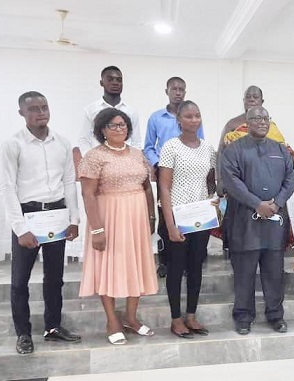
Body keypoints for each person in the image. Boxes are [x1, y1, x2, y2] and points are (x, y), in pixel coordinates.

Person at [0, 91, 82, 355]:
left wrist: (73, 218)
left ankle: (53, 327)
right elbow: (7, 188)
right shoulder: (13, 144)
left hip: (56, 214)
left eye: (44, 107)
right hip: (28, 215)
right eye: (33, 109)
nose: (41, 112)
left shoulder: (62, 143)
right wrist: (20, 228)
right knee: (19, 281)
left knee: (55, 277)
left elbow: (69, 183)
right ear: (22, 113)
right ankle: (23, 333)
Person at [78, 108, 158, 345]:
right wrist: (97, 229)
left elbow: (146, 187)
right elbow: (88, 194)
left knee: (137, 264)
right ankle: (112, 320)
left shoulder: (137, 154)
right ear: (102, 130)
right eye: (113, 125)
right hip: (109, 217)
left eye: (123, 125)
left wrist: (152, 217)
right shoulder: (94, 156)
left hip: (137, 217)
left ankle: (131, 317)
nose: (119, 129)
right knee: (108, 266)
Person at [221, 106, 294, 335]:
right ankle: (243, 317)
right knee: (244, 274)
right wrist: (257, 204)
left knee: (274, 273)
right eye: (257, 118)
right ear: (247, 121)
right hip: (245, 223)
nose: (262, 122)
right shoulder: (234, 150)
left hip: (274, 221)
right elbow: (231, 181)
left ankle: (276, 315)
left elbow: (291, 177)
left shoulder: (279, 150)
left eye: (266, 118)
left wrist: (277, 203)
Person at [158, 100, 216, 338]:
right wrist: (170, 224)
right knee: (175, 268)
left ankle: (191, 315)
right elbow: (164, 187)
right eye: (189, 116)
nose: (194, 120)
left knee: (196, 268)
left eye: (197, 116)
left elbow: (210, 182)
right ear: (179, 120)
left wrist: (214, 205)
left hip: (200, 218)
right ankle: (175, 318)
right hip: (177, 218)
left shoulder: (208, 148)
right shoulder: (170, 147)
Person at [143, 76, 205, 278]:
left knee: (190, 213)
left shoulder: (193, 116)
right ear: (167, 91)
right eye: (174, 89)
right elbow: (149, 146)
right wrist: (157, 164)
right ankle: (165, 261)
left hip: (188, 171)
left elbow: (200, 141)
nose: (178, 92)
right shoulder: (156, 118)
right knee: (165, 218)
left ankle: (188, 260)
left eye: (181, 89)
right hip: (166, 172)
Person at [216, 85, 286, 195]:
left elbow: (282, 154)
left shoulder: (269, 127)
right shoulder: (232, 124)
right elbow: (221, 152)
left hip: (265, 182)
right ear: (244, 101)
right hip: (237, 181)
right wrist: (220, 180)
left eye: (255, 97)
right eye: (248, 97)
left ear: (262, 101)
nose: (251, 99)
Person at [74, 66, 141, 172]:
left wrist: (131, 162)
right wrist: (91, 160)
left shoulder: (131, 111)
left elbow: (136, 141)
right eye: (110, 79)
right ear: (101, 83)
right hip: (98, 165)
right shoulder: (91, 110)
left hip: (125, 165)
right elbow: (84, 139)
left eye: (119, 80)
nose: (115, 83)